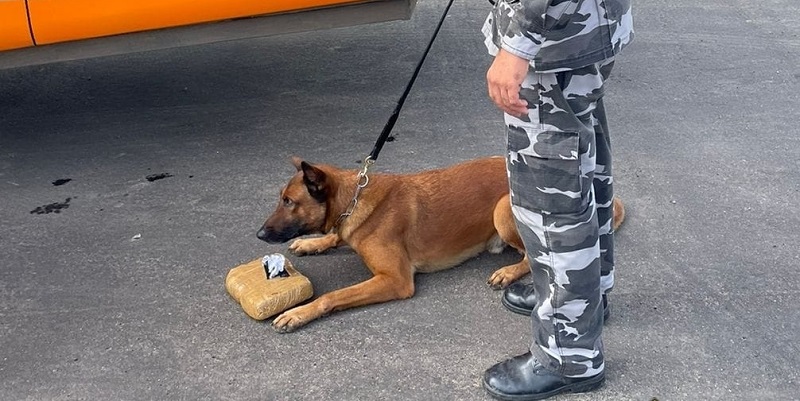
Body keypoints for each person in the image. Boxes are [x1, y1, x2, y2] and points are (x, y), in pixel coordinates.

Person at [480, 0, 633, 400]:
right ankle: (585, 301)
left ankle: (568, 355)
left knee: (550, 203)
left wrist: (517, 44)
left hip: (551, 38)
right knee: (584, 169)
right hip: (578, 30)